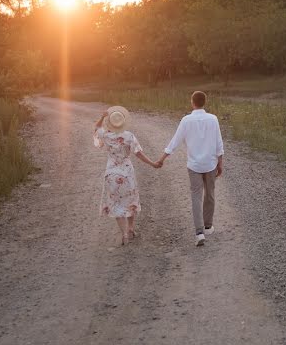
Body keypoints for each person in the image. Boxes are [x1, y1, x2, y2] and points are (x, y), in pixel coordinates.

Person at [157, 91, 224, 246]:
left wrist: (161, 159)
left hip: (194, 165)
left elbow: (175, 141)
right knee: (210, 194)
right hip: (210, 163)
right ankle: (208, 226)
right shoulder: (213, 119)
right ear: (205, 102)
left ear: (192, 102)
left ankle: (199, 232)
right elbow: (219, 143)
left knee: (196, 196)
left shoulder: (186, 120)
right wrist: (220, 163)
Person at [93, 105, 161, 245]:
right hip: (127, 172)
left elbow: (95, 129)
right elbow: (138, 153)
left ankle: (123, 233)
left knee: (116, 203)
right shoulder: (129, 136)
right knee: (130, 201)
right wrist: (152, 163)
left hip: (111, 173)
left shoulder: (105, 135)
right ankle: (130, 228)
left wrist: (102, 117)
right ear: (123, 122)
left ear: (110, 123)